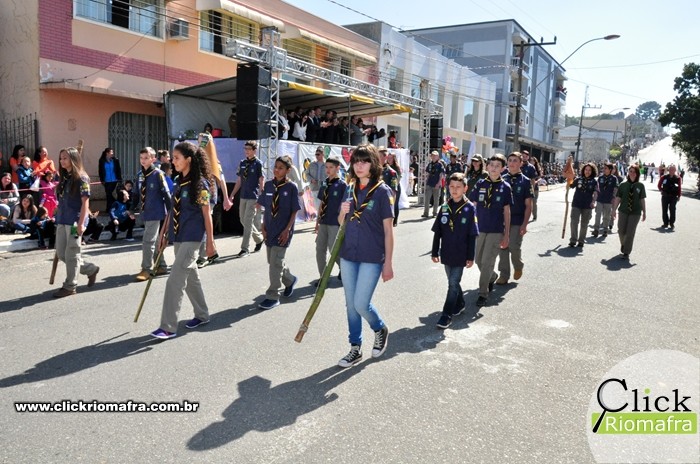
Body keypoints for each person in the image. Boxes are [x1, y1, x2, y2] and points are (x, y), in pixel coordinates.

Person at [150, 142, 215, 340]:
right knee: (191, 278)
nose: (173, 161)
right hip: (178, 235)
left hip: (192, 238)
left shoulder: (200, 184)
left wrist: (210, 242)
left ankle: (168, 327)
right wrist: (163, 233)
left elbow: (207, 214)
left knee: (175, 280)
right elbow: (172, 210)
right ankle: (202, 314)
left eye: (177, 158)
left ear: (188, 160)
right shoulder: (178, 182)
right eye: (173, 158)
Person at [336, 144, 393, 368]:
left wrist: (388, 263)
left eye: (364, 161)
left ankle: (379, 328)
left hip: (371, 256)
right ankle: (355, 347)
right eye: (356, 161)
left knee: (361, 304)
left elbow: (388, 230)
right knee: (351, 305)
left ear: (373, 164)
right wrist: (342, 212)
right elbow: (342, 222)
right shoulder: (349, 188)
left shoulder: (382, 191)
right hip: (349, 254)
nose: (359, 166)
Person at [431, 172, 478, 329]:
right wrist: (434, 251)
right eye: (451, 186)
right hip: (446, 251)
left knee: (452, 283)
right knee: (453, 281)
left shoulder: (469, 208)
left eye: (458, 187)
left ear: (465, 188)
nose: (455, 190)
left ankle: (446, 315)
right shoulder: (444, 207)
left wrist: (471, 256)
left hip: (461, 253)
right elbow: (438, 231)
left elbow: (472, 235)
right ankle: (460, 302)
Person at [53, 147, 100, 298]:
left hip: (74, 221)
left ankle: (70, 286)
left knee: (72, 253)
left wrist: (81, 224)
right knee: (62, 253)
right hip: (62, 219)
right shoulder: (64, 177)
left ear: (73, 159)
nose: (62, 161)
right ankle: (90, 269)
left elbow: (85, 203)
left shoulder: (82, 178)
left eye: (65, 158)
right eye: (61, 158)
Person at [255, 156, 301, 310]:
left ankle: (273, 296)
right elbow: (265, 207)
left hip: (283, 230)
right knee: (273, 261)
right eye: (275, 167)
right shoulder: (269, 185)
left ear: (288, 170)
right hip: (270, 228)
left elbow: (294, 211)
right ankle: (290, 280)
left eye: (281, 168)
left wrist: (287, 230)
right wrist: (263, 226)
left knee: (275, 262)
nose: (276, 170)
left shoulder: (291, 187)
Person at [468, 154, 512, 307]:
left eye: (497, 166)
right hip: (480, 228)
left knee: (487, 261)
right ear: (487, 166)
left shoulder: (505, 187)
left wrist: (506, 234)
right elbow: (473, 205)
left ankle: (483, 293)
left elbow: (507, 212)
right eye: (491, 165)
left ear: (503, 169)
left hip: (495, 230)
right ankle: (492, 276)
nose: (493, 168)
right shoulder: (480, 183)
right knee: (478, 260)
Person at [134, 147, 172, 281]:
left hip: (156, 212)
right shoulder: (140, 175)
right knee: (155, 240)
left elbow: (166, 193)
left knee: (147, 240)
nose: (143, 160)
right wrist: (132, 209)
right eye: (141, 158)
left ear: (153, 159)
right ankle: (161, 265)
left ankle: (146, 269)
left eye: (146, 158)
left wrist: (171, 212)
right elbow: (136, 193)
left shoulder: (158, 174)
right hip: (145, 211)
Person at [496, 152, 533, 285]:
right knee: (503, 246)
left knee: (513, 246)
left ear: (520, 163)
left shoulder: (525, 181)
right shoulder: (501, 179)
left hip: (517, 219)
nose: (512, 163)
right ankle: (504, 274)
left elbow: (528, 205)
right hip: (502, 220)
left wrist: (525, 224)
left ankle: (518, 265)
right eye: (510, 160)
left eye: (515, 160)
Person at [314, 155, 347, 284]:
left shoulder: (342, 185)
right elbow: (322, 203)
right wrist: (317, 222)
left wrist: (343, 224)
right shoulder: (325, 183)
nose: (328, 170)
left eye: (331, 167)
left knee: (334, 250)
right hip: (323, 221)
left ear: (337, 168)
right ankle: (323, 277)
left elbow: (345, 206)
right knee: (320, 249)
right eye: (326, 167)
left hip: (335, 222)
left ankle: (346, 269)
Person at [228, 140, 264, 257]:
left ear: (254, 150)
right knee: (242, 219)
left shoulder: (258, 164)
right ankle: (259, 239)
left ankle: (245, 249)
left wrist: (261, 196)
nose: (246, 151)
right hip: (243, 195)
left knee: (248, 222)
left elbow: (261, 180)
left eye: (249, 149)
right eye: (245, 149)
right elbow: (239, 180)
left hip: (253, 196)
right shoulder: (242, 163)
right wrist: (232, 194)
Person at [612, 165, 646, 260]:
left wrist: (644, 212)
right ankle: (624, 244)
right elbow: (618, 198)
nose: (632, 173)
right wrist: (614, 210)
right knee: (621, 230)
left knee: (630, 232)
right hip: (623, 211)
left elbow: (642, 199)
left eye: (634, 171)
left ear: (637, 174)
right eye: (630, 171)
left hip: (635, 212)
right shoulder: (623, 185)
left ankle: (626, 252)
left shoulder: (640, 186)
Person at [568, 163, 599, 248]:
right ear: (583, 170)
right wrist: (569, 178)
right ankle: (573, 240)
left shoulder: (594, 182)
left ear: (592, 171)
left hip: (587, 205)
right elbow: (571, 185)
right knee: (574, 222)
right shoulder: (578, 179)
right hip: (576, 204)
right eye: (586, 170)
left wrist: (593, 202)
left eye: (589, 170)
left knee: (584, 224)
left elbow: (595, 193)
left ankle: (581, 241)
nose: (587, 172)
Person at [592, 162, 618, 238]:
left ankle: (605, 230)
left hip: (608, 200)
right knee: (598, 215)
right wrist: (594, 199)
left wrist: (614, 197)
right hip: (600, 199)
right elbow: (596, 188)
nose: (604, 169)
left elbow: (616, 188)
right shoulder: (600, 178)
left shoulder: (614, 178)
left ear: (610, 169)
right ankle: (596, 229)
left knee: (606, 216)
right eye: (603, 168)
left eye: (606, 168)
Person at [378, 147, 399, 226]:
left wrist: (391, 208)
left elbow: (393, 191)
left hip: (384, 202)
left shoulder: (392, 172)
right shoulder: (372, 171)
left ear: (385, 157)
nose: (377, 159)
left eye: (379, 156)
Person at [98, 147, 122, 214]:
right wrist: (101, 179)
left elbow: (118, 170)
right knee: (108, 194)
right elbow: (100, 171)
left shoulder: (115, 160)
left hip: (114, 180)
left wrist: (119, 178)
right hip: (106, 181)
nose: (112, 153)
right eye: (111, 152)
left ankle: (109, 209)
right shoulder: (102, 160)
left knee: (108, 194)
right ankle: (116, 205)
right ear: (107, 153)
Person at [657, 164, 681, 229]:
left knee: (672, 210)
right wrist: (661, 190)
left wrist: (679, 196)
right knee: (664, 210)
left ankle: (672, 223)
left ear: (675, 170)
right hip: (665, 196)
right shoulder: (664, 177)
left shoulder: (678, 178)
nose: (671, 171)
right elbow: (659, 185)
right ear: (668, 170)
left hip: (673, 197)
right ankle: (665, 223)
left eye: (673, 169)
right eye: (670, 169)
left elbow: (679, 188)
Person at [422, 151, 445, 218]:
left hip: (436, 184)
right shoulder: (429, 164)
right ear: (431, 157)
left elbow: (441, 175)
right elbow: (428, 173)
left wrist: (439, 183)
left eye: (435, 156)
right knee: (427, 199)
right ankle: (426, 213)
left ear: (438, 157)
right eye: (432, 155)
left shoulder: (440, 165)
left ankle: (435, 213)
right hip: (429, 183)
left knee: (436, 199)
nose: (434, 157)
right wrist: (426, 181)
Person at [305, 147, 328, 212]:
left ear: (322, 154)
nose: (316, 156)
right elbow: (306, 174)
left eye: (318, 154)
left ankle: (321, 216)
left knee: (324, 204)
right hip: (314, 188)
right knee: (316, 205)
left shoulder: (327, 165)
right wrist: (311, 180)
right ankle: (319, 216)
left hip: (324, 188)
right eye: (316, 154)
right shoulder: (311, 164)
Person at [386, 150, 403, 226]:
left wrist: (393, 186)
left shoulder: (396, 167)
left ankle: (395, 220)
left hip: (395, 188)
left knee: (395, 204)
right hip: (386, 188)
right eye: (388, 158)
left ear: (394, 159)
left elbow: (398, 178)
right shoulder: (385, 166)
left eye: (391, 158)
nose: (389, 159)